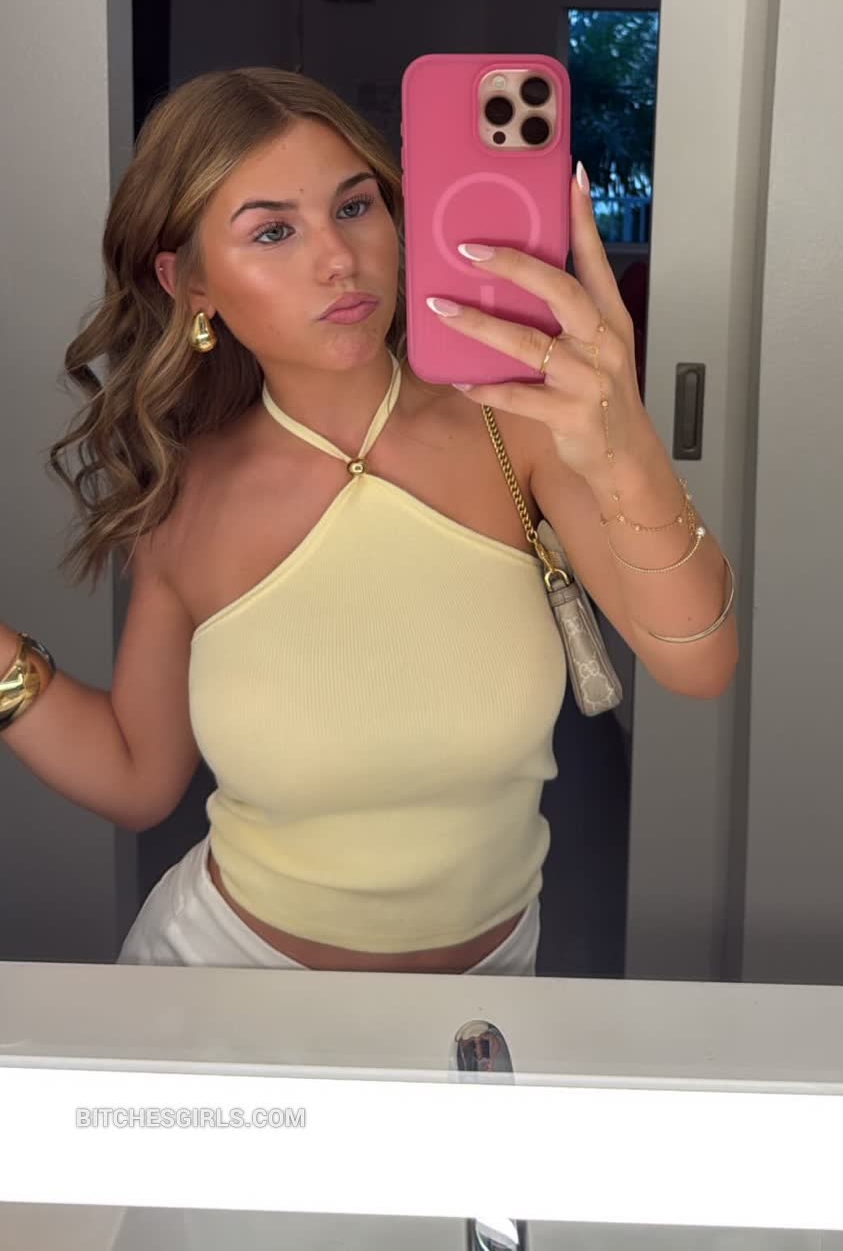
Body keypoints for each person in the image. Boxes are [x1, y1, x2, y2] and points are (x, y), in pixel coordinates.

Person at [0, 67, 738, 975]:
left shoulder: (515, 428)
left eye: (355, 207)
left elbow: (697, 663)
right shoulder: (187, 499)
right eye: (273, 230)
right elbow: (135, 777)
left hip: (487, 988)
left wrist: (627, 441)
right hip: (224, 982)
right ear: (189, 283)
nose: (338, 260)